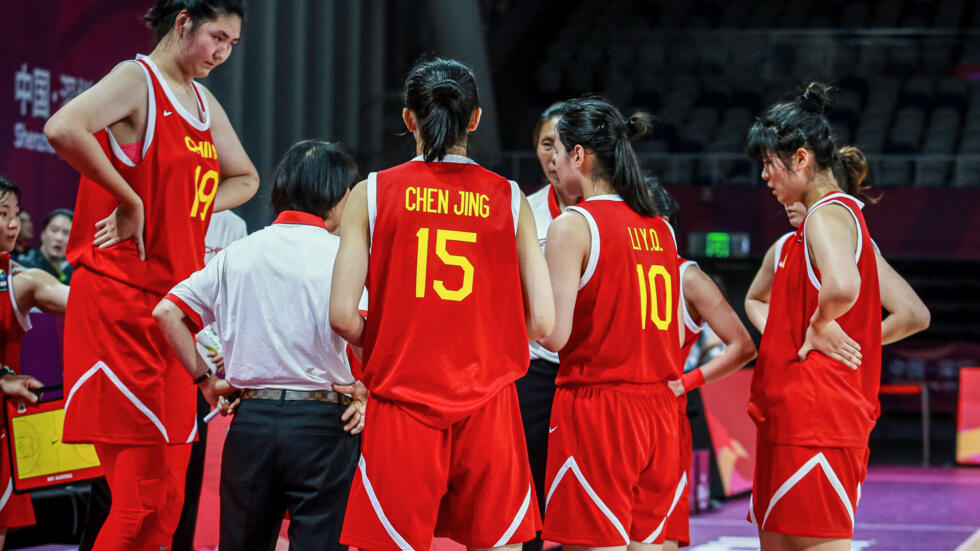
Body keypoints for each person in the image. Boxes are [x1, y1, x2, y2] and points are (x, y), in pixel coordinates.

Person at [43, 1, 258, 549]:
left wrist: (171, 207)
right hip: (117, 303)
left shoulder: (204, 102)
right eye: (216, 36)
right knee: (136, 499)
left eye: (233, 44)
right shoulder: (137, 80)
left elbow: (245, 178)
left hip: (170, 315)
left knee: (167, 504)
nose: (223, 53)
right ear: (183, 21)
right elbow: (63, 127)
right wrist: (129, 197)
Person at [331, 57, 554, 551]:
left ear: (408, 118)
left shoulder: (370, 193)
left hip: (401, 401)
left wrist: (392, 341)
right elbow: (543, 320)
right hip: (489, 402)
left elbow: (343, 316)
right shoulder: (511, 197)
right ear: (475, 119)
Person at [154, 140, 365, 551]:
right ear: (338, 196)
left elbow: (167, 313)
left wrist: (207, 381)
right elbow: (369, 335)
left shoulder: (239, 252)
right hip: (324, 425)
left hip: (251, 422)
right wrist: (367, 389)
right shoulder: (347, 257)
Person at [744, 83, 884, 551]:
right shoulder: (813, 223)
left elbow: (844, 287)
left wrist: (820, 325)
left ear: (801, 159)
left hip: (818, 420)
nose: (765, 175)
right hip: (791, 419)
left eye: (769, 163)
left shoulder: (827, 214)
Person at [538, 97, 680, 550]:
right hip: (659, 409)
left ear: (579, 155)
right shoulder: (661, 226)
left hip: (599, 409)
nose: (553, 163)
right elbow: (673, 334)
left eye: (557, 151)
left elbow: (553, 334)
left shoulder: (573, 225)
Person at [649, 184, 757, 551]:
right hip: (611, 411)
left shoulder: (687, 276)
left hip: (662, 413)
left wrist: (688, 380)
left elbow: (742, 345)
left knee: (658, 532)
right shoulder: (611, 268)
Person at [746, 149, 930, 347]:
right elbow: (755, 299)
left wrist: (849, 346)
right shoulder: (782, 247)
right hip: (787, 372)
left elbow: (913, 314)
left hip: (834, 374)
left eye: (801, 192)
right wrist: (787, 340)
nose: (789, 203)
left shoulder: (855, 245)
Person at [517, 100, 580, 551]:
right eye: (545, 144)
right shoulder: (523, 209)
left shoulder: (612, 212)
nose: (553, 155)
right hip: (537, 369)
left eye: (562, 145)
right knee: (531, 480)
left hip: (592, 369)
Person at [169, 207, 248, 551]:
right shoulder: (167, 209)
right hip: (168, 358)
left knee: (193, 471)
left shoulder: (233, 225)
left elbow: (237, 299)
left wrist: (225, 349)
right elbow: (166, 310)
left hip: (208, 365)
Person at [0, 177, 70, 550]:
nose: (13, 224)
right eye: (1, 214)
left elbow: (93, 309)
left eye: (15, 214)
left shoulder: (23, 282)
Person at [19, 208, 74, 283]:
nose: (59, 238)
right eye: (54, 230)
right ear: (43, 234)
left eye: (66, 233)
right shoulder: (25, 267)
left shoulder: (72, 272)